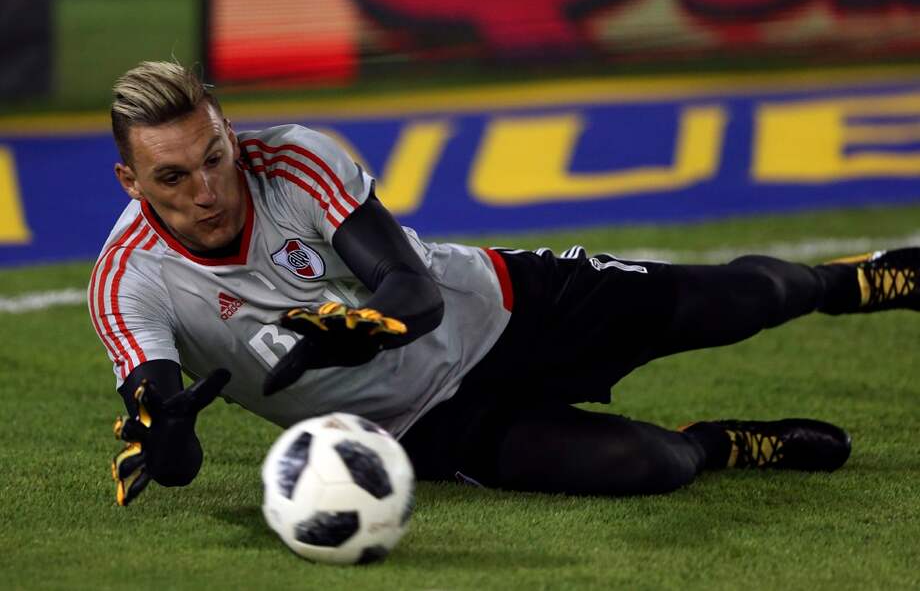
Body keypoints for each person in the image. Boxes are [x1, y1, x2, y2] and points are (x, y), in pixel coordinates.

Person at [92, 61, 911, 507]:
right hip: (420, 426)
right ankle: (726, 443)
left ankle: (851, 282)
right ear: (131, 181)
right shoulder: (128, 285)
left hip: (500, 305)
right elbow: (169, 431)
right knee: (652, 464)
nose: (207, 190)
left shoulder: (296, 160)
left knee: (743, 301)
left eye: (215, 156)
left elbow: (412, 289)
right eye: (173, 177)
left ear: (229, 130)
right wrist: (170, 441)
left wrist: (360, 330)